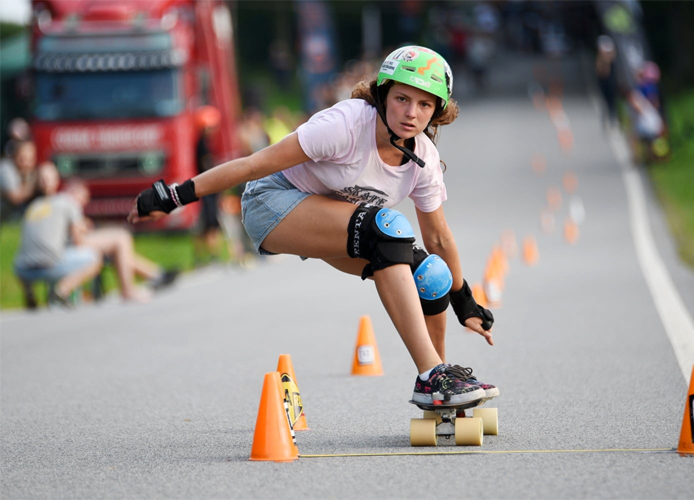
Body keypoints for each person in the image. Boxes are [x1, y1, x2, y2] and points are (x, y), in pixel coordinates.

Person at [129, 46, 498, 405]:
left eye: (424, 105)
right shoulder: (345, 125)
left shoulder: (424, 159)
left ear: (436, 112)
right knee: (387, 228)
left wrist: (464, 300)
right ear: (383, 94)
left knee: (433, 275)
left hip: (335, 219)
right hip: (271, 202)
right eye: (402, 98)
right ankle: (431, 374)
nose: (411, 113)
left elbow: (437, 237)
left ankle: (440, 385)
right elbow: (254, 165)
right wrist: (174, 196)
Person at [14, 164, 102, 308]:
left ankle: (29, 293)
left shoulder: (31, 207)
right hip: (51, 265)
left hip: (23, 269)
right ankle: (62, 289)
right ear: (57, 180)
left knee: (30, 255)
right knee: (94, 257)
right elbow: (78, 242)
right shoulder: (67, 202)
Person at [194, 106, 223, 265]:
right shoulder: (202, 145)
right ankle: (213, 256)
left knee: (207, 224)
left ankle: (203, 256)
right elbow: (206, 165)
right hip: (208, 190)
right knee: (210, 223)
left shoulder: (203, 142)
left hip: (207, 190)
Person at [1, 139, 39, 222]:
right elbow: (15, 198)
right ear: (15, 155)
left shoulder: (29, 172)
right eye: (23, 158)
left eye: (30, 159)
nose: (26, 163)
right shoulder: (5, 168)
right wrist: (34, 184)